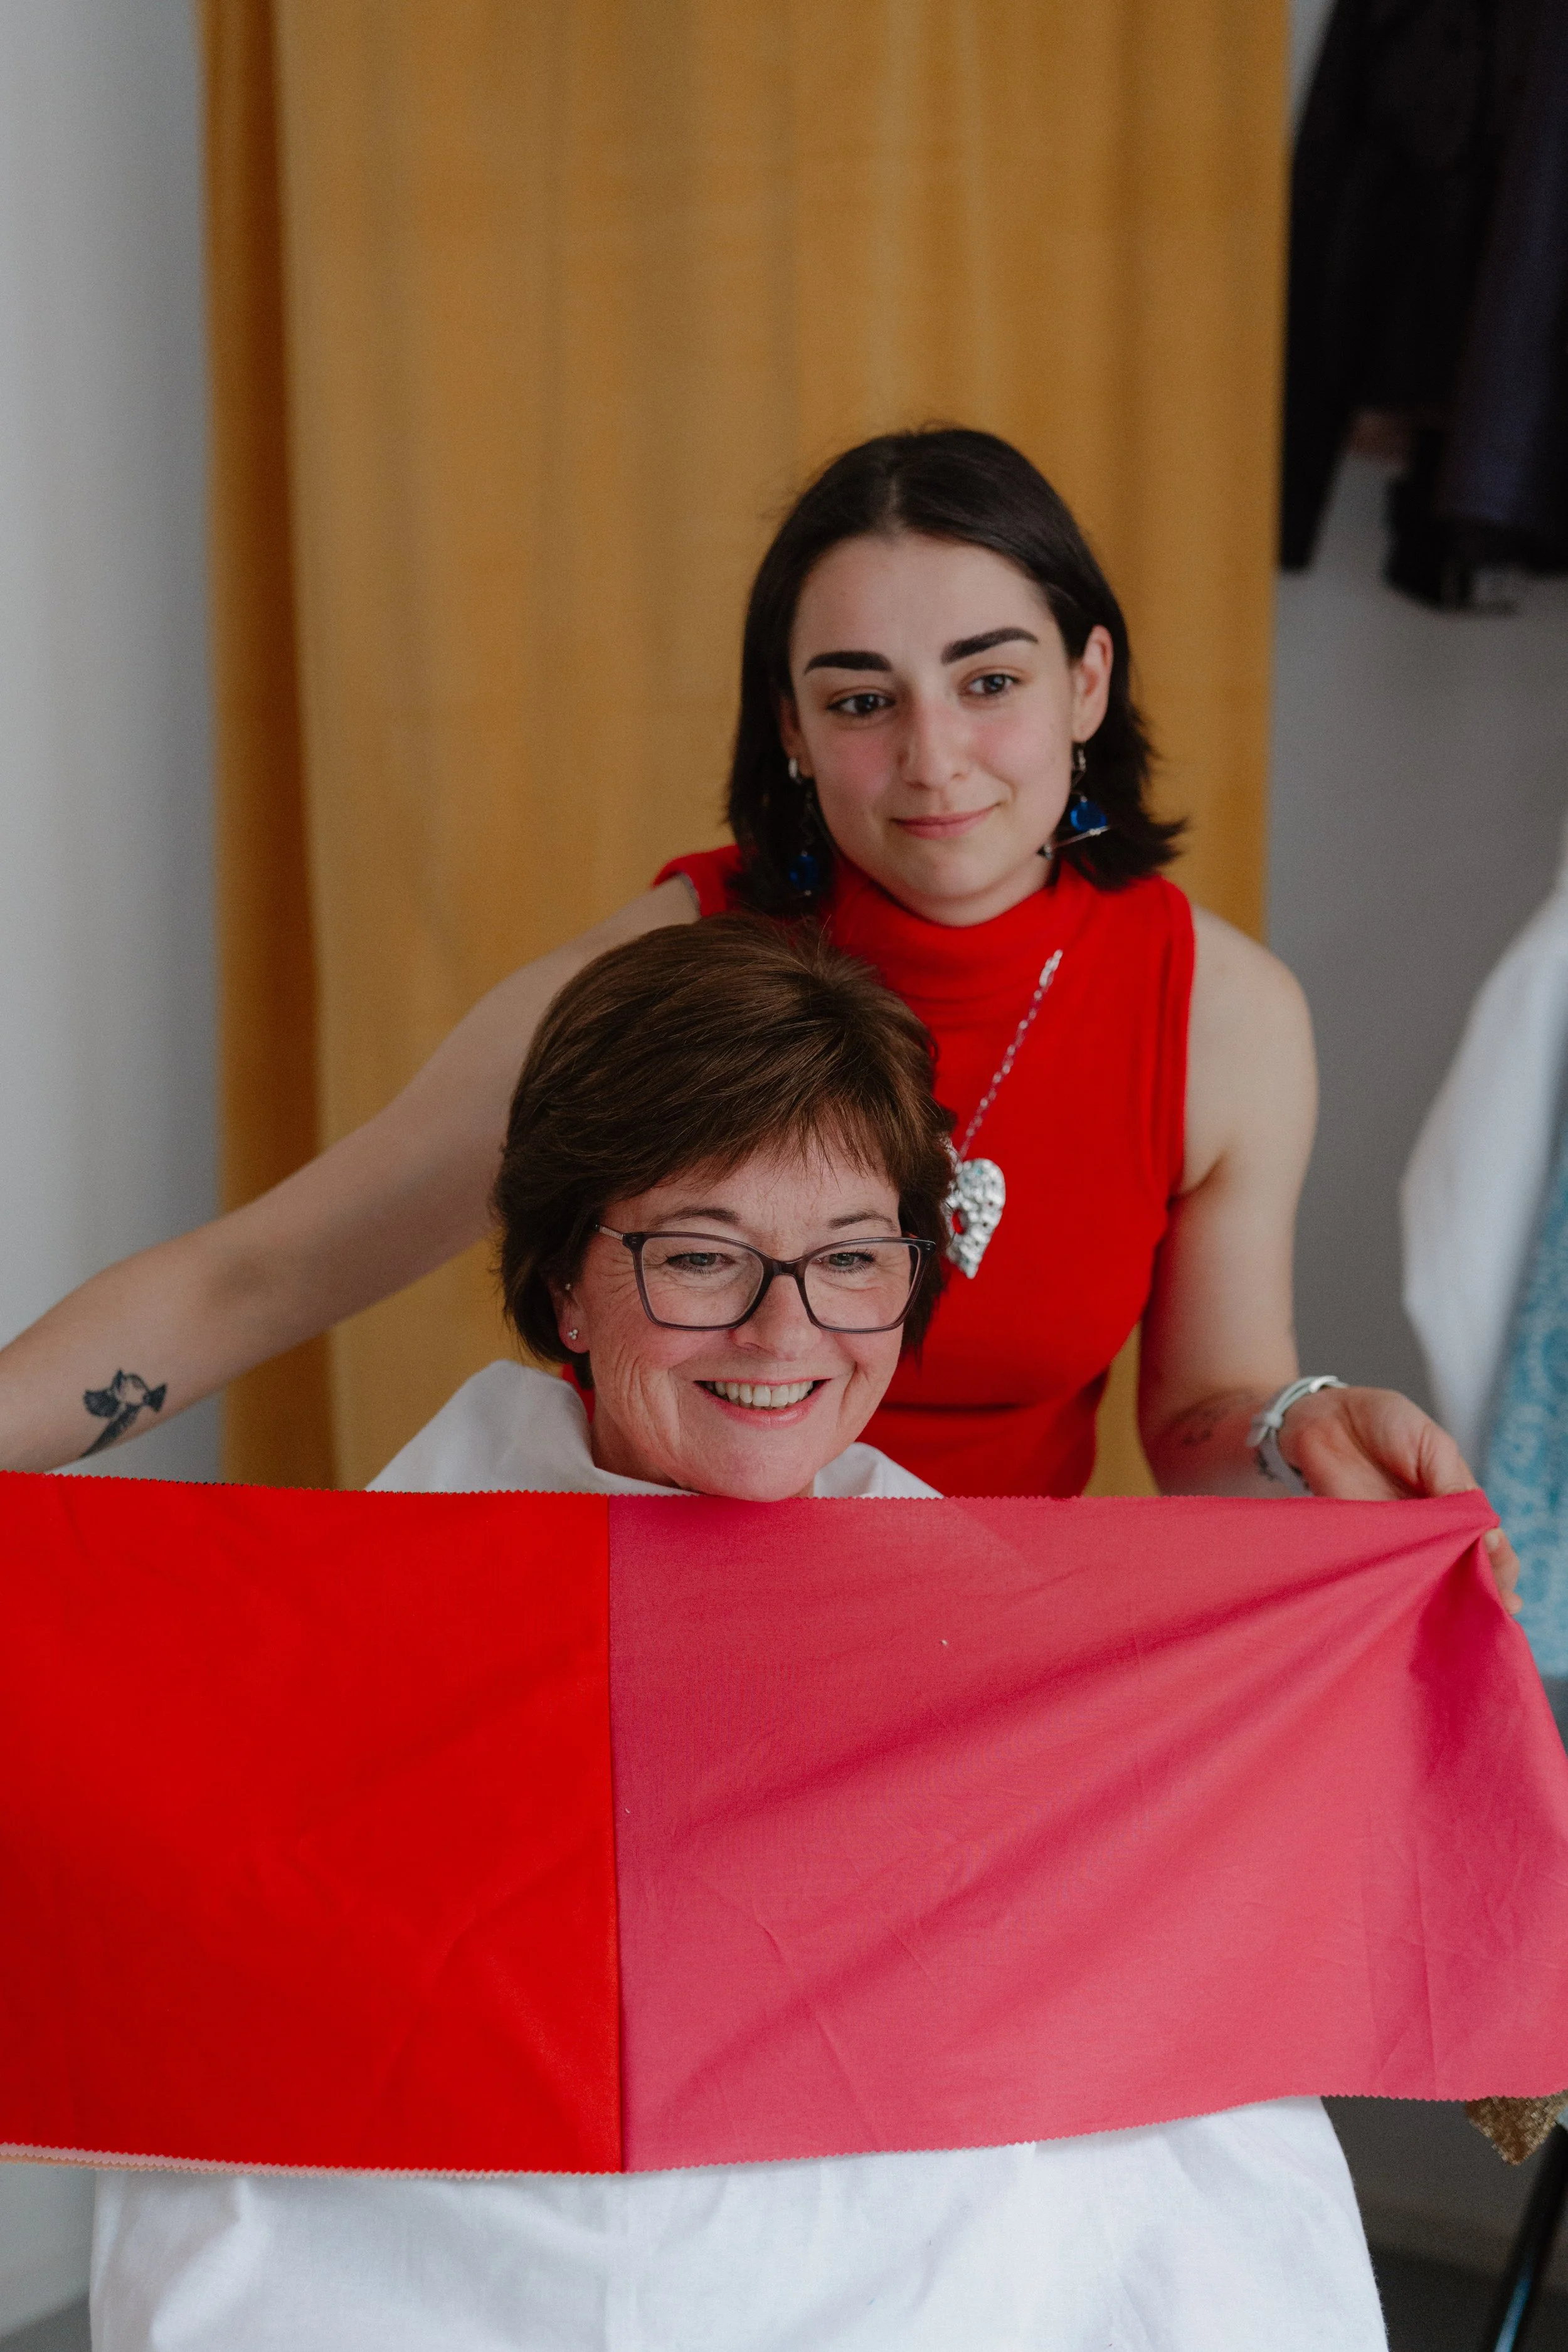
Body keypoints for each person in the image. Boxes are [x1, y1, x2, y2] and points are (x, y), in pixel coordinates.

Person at [89, 920, 1386, 2352]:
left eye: (848, 1260)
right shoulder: (343, 1622)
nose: (783, 1336)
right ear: (564, 1281)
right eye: (702, 1260)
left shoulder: (997, 1642)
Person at [0, 429, 1513, 1578]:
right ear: (788, 728)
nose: (930, 758)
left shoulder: (1227, 1017)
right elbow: (254, 1280)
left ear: (1085, 682)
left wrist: (1291, 1421)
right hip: (637, 1637)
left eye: (987, 680)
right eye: (860, 700)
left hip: (960, 1651)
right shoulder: (646, 984)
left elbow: (1198, 1422)